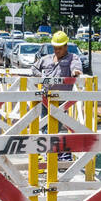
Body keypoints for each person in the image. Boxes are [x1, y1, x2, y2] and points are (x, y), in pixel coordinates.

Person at [32, 31, 83, 162]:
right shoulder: (46, 59)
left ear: (66, 46)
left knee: (55, 126)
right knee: (44, 125)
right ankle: (48, 154)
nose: (57, 51)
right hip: (45, 97)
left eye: (59, 48)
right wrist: (42, 77)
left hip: (60, 99)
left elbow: (75, 68)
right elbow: (34, 68)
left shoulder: (72, 58)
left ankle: (49, 154)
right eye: (55, 48)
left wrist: (75, 72)